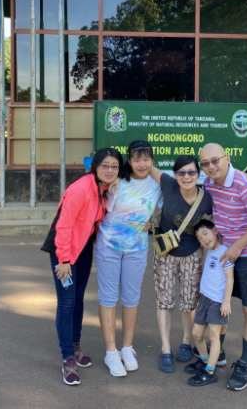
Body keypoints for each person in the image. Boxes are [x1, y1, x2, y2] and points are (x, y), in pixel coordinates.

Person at [41, 148, 123, 386]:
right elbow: (64, 226)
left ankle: (75, 346)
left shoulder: (102, 188)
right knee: (66, 304)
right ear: (95, 167)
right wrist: (64, 260)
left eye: (114, 166)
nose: (110, 170)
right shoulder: (81, 188)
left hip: (84, 248)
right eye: (105, 165)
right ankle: (68, 358)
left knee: (78, 300)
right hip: (64, 251)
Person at [199, 143, 247, 392]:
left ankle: (244, 365)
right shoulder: (209, 184)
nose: (211, 166)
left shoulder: (245, 183)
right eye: (205, 163)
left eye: (215, 160)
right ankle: (217, 351)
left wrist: (237, 246)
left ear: (227, 158)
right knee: (219, 301)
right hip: (226, 251)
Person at [96, 140, 163, 378]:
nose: (142, 164)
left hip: (137, 249)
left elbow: (173, 203)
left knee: (131, 298)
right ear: (129, 161)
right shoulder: (118, 181)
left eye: (146, 159)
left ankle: (127, 348)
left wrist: (152, 224)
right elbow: (101, 208)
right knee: (108, 297)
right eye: (137, 160)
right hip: (108, 246)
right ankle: (111, 351)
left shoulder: (157, 185)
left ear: (152, 161)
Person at [148, 156, 215, 374]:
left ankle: (186, 341)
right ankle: (165, 348)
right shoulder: (168, 185)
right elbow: (146, 167)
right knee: (164, 302)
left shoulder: (206, 198)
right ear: (175, 175)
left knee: (189, 302)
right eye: (181, 173)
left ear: (198, 174)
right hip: (166, 254)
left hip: (192, 254)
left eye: (191, 172)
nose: (186, 177)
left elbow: (222, 219)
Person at [184, 220, 234, 387]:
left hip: (217, 302)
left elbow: (230, 278)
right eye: (199, 238)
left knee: (213, 337)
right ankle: (205, 361)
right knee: (197, 334)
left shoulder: (224, 251)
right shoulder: (210, 252)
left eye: (205, 234)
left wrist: (226, 302)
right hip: (205, 299)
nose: (204, 239)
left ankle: (210, 371)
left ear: (215, 231)